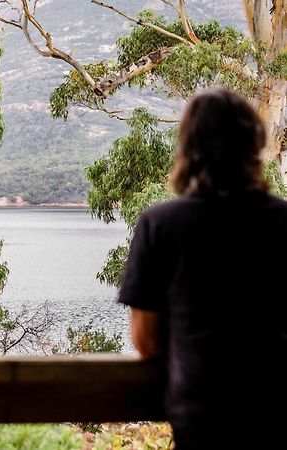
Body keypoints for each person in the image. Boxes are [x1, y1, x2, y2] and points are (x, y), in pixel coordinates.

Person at [117, 87, 287, 449]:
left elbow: (145, 341)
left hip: (201, 414)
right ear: (253, 147)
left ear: (187, 149)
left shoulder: (160, 225)